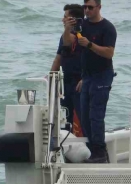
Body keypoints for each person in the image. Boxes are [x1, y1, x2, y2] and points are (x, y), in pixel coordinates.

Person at [63, 0, 116, 163]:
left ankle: (99, 151)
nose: (87, 10)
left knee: (96, 115)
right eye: (85, 7)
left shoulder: (107, 28)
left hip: (102, 75)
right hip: (87, 76)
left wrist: (90, 44)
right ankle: (95, 151)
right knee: (84, 115)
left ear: (99, 7)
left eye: (90, 8)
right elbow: (67, 43)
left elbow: (109, 53)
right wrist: (67, 29)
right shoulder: (82, 25)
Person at [50, 4, 84, 134]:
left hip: (80, 82)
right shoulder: (64, 36)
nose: (63, 20)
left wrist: (85, 78)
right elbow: (58, 57)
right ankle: (65, 145)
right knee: (64, 117)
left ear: (74, 19)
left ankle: (91, 148)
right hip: (66, 82)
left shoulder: (85, 34)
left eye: (66, 17)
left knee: (83, 117)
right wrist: (51, 77)